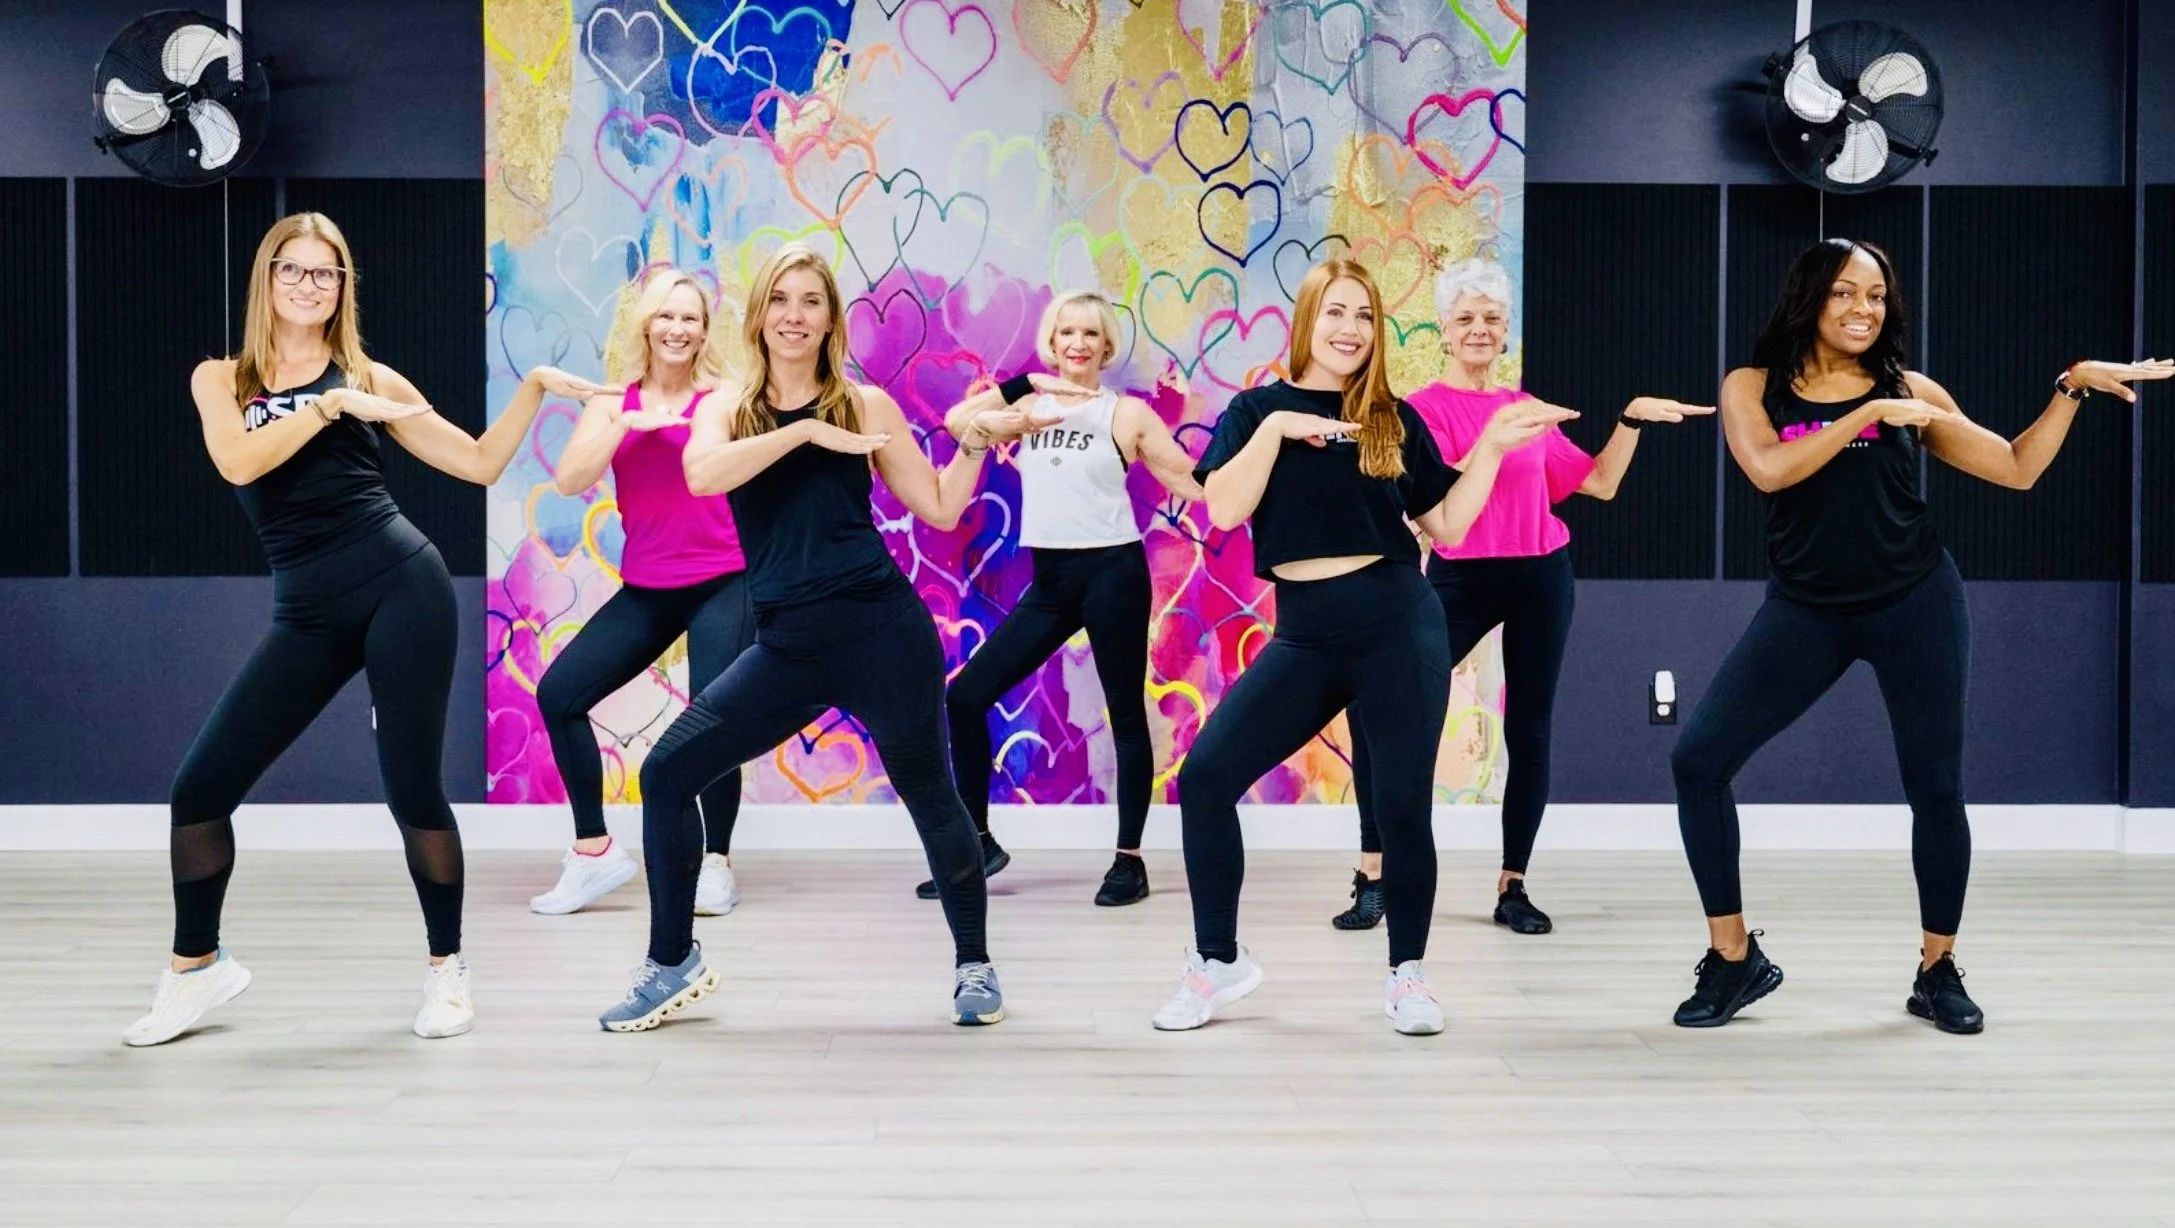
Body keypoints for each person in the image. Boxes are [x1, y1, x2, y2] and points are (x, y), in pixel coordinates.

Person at [1668, 237, 2173, 1032]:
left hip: (1913, 600)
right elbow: (1766, 469)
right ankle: (1733, 960)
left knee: (1934, 787)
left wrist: (2068, 390)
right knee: (1696, 760)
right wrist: (1866, 414)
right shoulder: (1753, 385)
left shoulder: (1911, 389)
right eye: (1844, 293)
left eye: (1875, 295)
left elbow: (2014, 467)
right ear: (1808, 298)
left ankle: (1936, 970)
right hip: (1806, 606)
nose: (1862, 309)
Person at [126, 212, 604, 1046]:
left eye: (325, 274)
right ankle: (197, 968)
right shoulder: (222, 379)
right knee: (199, 790)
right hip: (307, 611)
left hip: (400, 589)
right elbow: (239, 462)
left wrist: (530, 388)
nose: (307, 286)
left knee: (411, 790)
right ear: (266, 278)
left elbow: (479, 463)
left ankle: (447, 972)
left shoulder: (368, 374)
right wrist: (328, 407)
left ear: (343, 287)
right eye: (293, 270)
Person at [597, 243, 1026, 1031]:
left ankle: (974, 965)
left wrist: (974, 443)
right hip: (786, 646)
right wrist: (799, 436)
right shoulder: (726, 407)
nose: (794, 316)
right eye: (781, 301)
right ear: (757, 315)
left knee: (931, 797)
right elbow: (703, 476)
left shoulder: (864, 406)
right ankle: (670, 964)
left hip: (881, 633)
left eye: (811, 301)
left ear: (830, 318)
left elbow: (934, 506)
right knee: (665, 773)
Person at [1154, 258, 1572, 1034]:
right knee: (1207, 776)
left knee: (1402, 807)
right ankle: (1217, 963)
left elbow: (1444, 526)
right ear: (1307, 319)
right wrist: (1281, 430)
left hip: (1396, 624)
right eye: (1335, 313)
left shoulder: (1392, 419)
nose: (1349, 330)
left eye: (1364, 317)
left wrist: (1488, 447)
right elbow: (1220, 508)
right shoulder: (1257, 411)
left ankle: (1407, 977)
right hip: (1306, 635)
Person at [1338, 258, 1711, 935]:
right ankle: (1374, 871)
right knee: (1381, 709)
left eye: (1491, 319)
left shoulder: (1527, 408)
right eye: (1465, 319)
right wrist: (1490, 440)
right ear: (1443, 332)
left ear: (1504, 331)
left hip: (1541, 571)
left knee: (1529, 726)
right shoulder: (1418, 410)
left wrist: (1628, 420)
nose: (1479, 330)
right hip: (1460, 574)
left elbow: (1595, 484)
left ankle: (1513, 884)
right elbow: (1435, 495)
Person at [924, 289, 1203, 906]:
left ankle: (1129, 862)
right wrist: (1025, 388)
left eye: (1090, 335)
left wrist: (1262, 461)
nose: (1078, 344)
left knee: (1125, 715)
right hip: (1050, 583)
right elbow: (955, 424)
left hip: (1113, 575)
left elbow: (1186, 476)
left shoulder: (1123, 414)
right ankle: (977, 844)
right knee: (966, 697)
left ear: (1106, 347)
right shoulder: (1026, 399)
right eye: (1066, 334)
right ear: (1052, 343)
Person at [530, 270, 752, 919]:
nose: (678, 329)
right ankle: (594, 852)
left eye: (691, 319)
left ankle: (716, 862)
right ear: (645, 327)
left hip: (723, 579)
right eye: (666, 317)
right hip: (650, 586)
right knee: (559, 695)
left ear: (704, 331)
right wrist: (627, 421)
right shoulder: (611, 401)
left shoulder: (723, 398)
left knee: (712, 712)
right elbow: (571, 479)